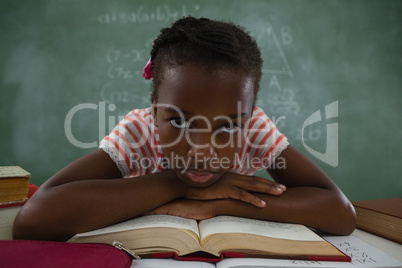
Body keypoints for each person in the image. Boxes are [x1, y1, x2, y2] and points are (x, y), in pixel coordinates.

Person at [13, 16, 356, 241]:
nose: (202, 150)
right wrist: (174, 184)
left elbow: (339, 213)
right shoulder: (139, 131)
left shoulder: (256, 131)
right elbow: (32, 221)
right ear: (154, 109)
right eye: (177, 121)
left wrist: (215, 204)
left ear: (250, 115)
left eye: (228, 127)